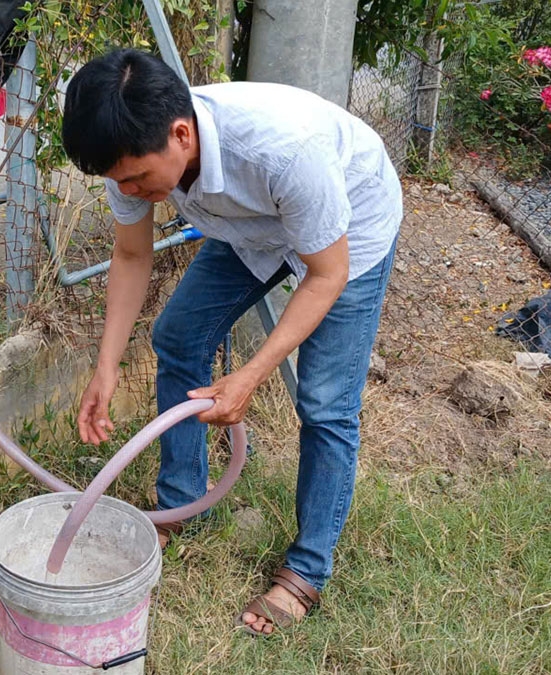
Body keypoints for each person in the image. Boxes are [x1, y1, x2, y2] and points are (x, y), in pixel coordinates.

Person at [61, 49, 403, 635]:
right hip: (254, 226)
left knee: (325, 402)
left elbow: (326, 273)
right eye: (119, 181)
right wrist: (107, 365)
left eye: (138, 177)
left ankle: (307, 570)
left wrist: (251, 374)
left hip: (349, 227)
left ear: (181, 133)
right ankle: (181, 502)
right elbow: (131, 253)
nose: (131, 191)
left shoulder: (280, 150)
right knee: (178, 337)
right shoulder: (135, 156)